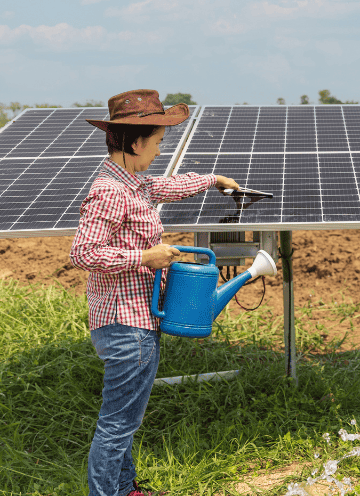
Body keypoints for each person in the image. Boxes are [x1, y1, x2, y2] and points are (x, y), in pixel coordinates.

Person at [70, 89, 239, 496]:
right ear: (135, 141)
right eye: (159, 142)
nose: (161, 151)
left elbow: (169, 185)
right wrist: (144, 257)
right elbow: (83, 252)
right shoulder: (109, 192)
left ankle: (126, 489)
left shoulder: (133, 185)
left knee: (124, 421)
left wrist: (212, 179)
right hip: (126, 325)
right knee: (117, 425)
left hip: (134, 320)